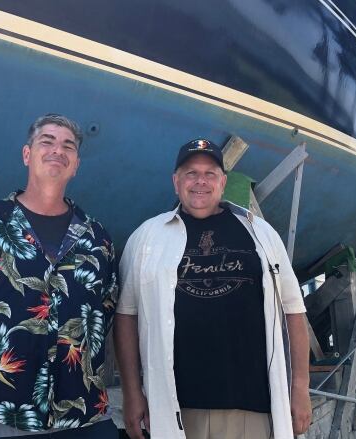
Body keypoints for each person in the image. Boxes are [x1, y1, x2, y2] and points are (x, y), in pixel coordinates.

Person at [0, 114, 119, 438]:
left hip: (82, 415)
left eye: (67, 145)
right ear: (27, 154)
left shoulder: (96, 237)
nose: (58, 149)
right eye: (47, 141)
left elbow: (105, 309)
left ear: (76, 165)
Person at [114, 139, 312, 439]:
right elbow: (126, 316)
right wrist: (131, 392)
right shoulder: (146, 238)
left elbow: (293, 311)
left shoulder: (260, 234)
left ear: (223, 182)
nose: (200, 182)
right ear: (175, 181)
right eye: (191, 173)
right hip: (174, 409)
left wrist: (299, 389)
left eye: (210, 173)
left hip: (251, 407)